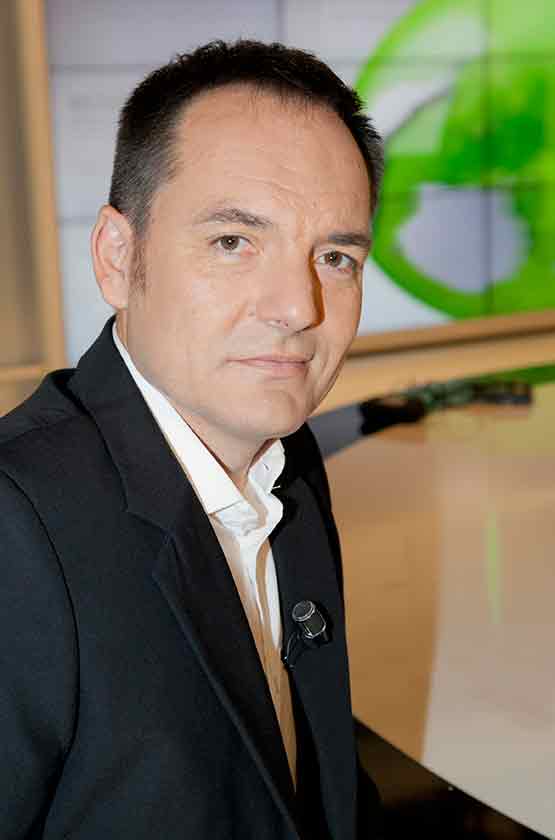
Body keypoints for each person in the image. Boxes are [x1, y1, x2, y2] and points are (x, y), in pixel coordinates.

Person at [0, 40, 383, 839]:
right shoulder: (16, 529)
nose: (298, 307)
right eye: (233, 242)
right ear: (118, 257)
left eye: (336, 256)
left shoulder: (286, 464)